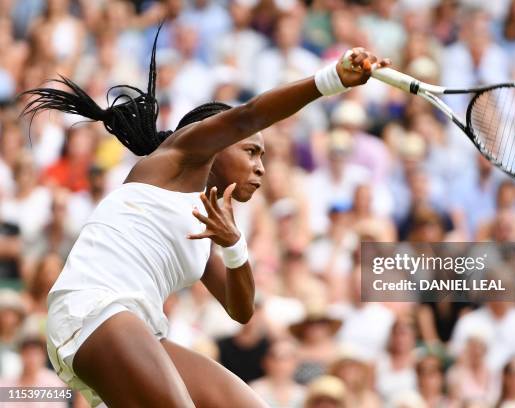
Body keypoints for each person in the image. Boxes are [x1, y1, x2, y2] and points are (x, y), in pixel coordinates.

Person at [21, 23, 387, 407]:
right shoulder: (174, 160)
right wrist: (331, 80)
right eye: (250, 152)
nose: (260, 166)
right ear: (216, 144)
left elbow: (241, 309)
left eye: (262, 156)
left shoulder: (203, 228)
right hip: (92, 311)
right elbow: (249, 115)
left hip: (132, 330)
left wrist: (233, 244)